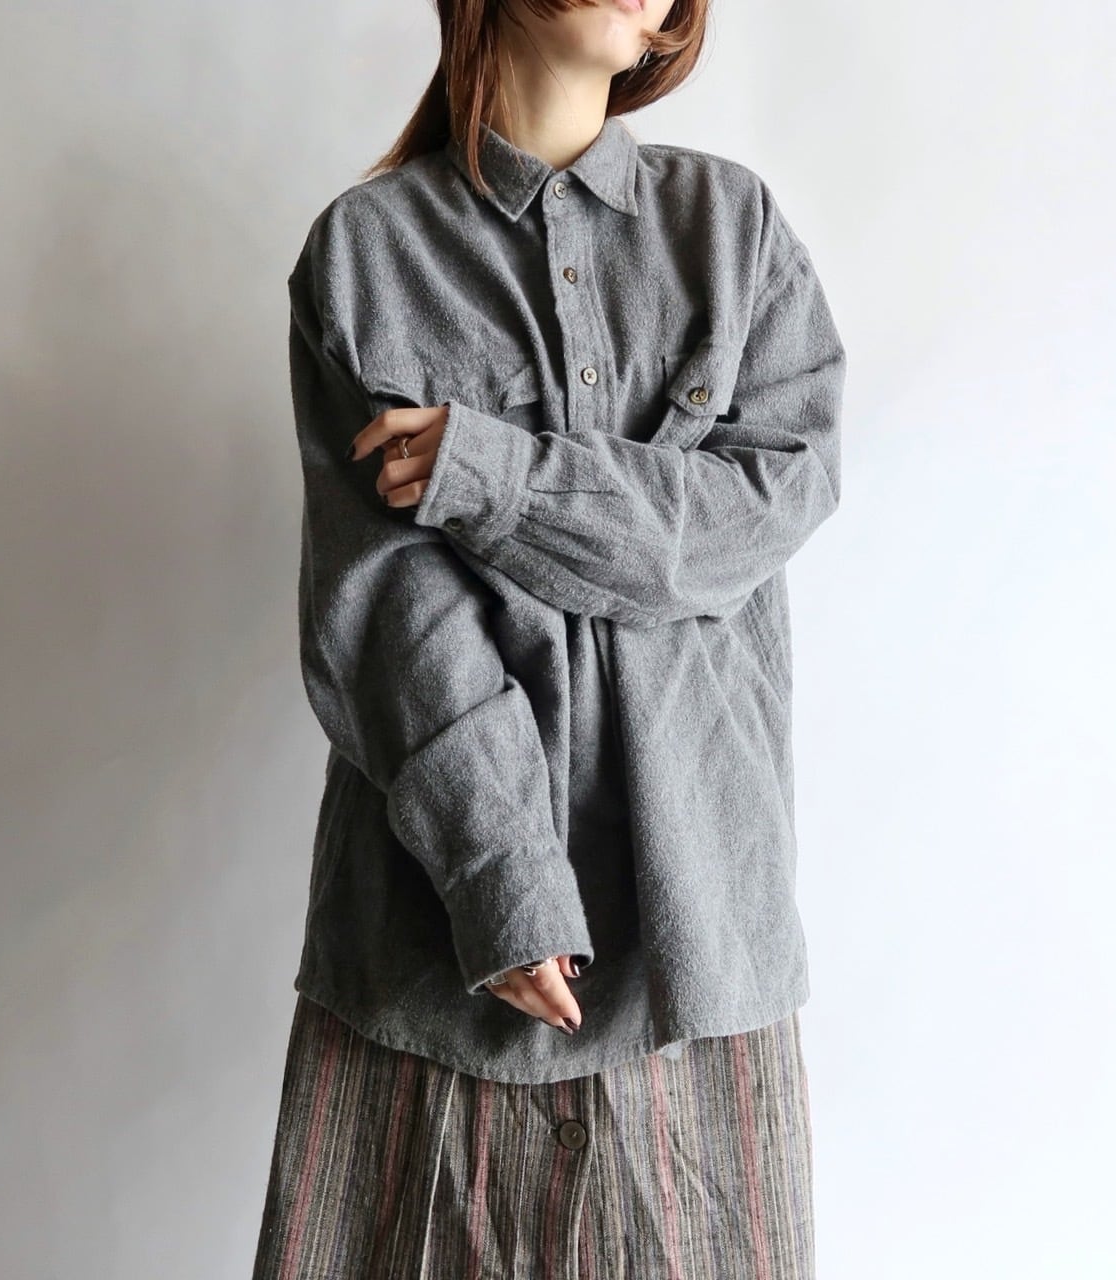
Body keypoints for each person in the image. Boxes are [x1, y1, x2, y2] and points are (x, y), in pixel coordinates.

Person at [252, 1, 846, 1275]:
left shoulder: (730, 228)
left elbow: (763, 504)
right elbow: (383, 610)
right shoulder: (368, 252)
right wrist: (501, 876)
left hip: (699, 941)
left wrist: (496, 477)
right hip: (435, 952)